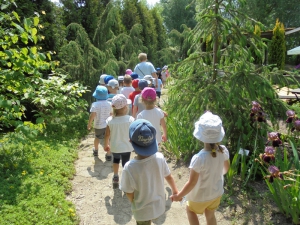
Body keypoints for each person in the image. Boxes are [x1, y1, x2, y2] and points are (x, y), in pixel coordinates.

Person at [171, 111, 230, 225]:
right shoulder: (223, 150)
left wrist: (179, 195)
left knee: (190, 210)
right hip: (216, 193)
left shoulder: (199, 158)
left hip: (199, 197)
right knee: (210, 214)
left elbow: (192, 183)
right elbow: (225, 169)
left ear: (201, 136)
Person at [120, 119, 178, 225]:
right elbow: (169, 176)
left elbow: (129, 192)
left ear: (130, 141)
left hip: (142, 211)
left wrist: (134, 202)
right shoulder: (160, 158)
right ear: (154, 141)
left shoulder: (129, 167)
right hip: (159, 206)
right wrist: (174, 191)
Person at [104, 94, 134, 189]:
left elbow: (107, 134)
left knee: (116, 160)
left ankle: (116, 176)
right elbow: (133, 133)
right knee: (126, 162)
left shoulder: (110, 120)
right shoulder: (130, 119)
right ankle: (126, 180)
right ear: (126, 107)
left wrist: (106, 144)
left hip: (115, 146)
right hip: (127, 146)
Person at [87, 86, 112, 161]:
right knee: (108, 139)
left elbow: (93, 115)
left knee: (97, 138)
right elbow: (111, 114)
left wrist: (89, 124)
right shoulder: (109, 104)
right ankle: (108, 155)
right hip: (108, 125)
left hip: (98, 126)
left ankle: (96, 150)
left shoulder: (95, 104)